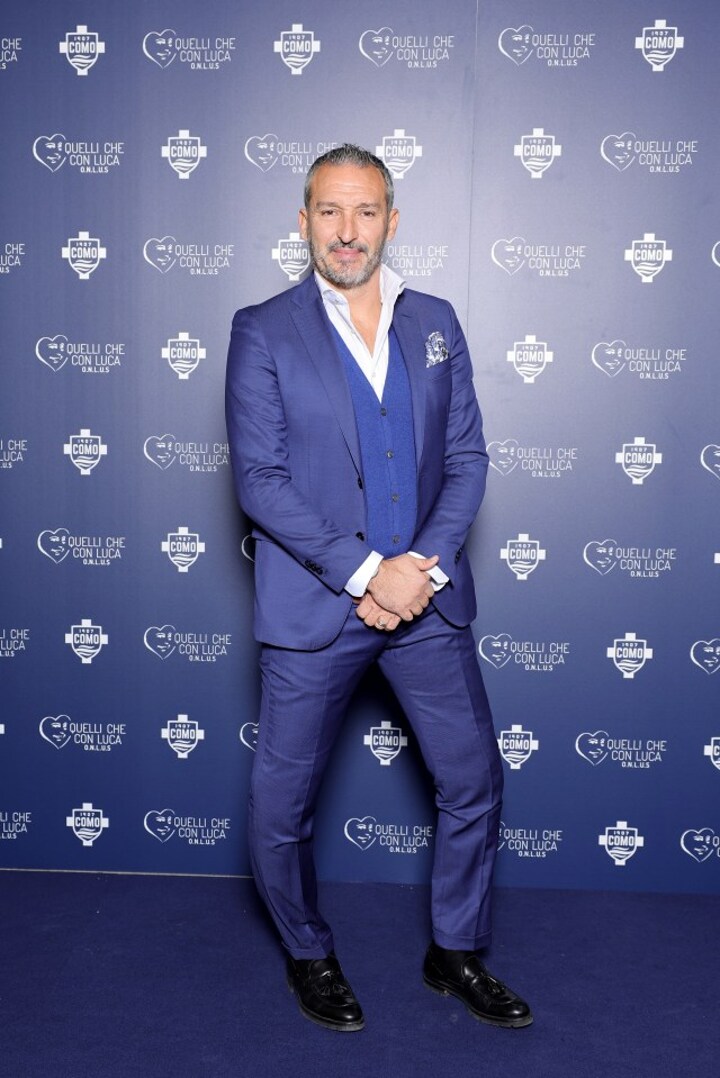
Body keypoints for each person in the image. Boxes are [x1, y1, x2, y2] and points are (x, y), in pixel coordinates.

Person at [225, 144, 531, 1032]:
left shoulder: (434, 320)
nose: (347, 231)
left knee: (474, 780)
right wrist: (369, 574)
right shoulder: (262, 329)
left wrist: (415, 571)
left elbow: (466, 460)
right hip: (316, 606)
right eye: (330, 211)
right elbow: (261, 481)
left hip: (425, 601)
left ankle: (455, 950)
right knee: (280, 810)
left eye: (365, 212)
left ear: (392, 221)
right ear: (304, 221)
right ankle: (308, 953)